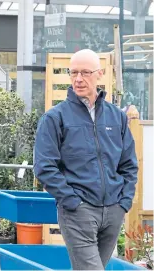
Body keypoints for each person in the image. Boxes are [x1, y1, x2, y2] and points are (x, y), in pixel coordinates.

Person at [34, 49, 138, 270]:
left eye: (85, 72)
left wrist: (124, 202)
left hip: (113, 211)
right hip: (78, 212)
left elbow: (128, 164)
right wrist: (72, 202)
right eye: (73, 73)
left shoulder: (116, 117)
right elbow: (44, 166)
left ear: (99, 74)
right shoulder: (55, 117)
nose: (78, 79)